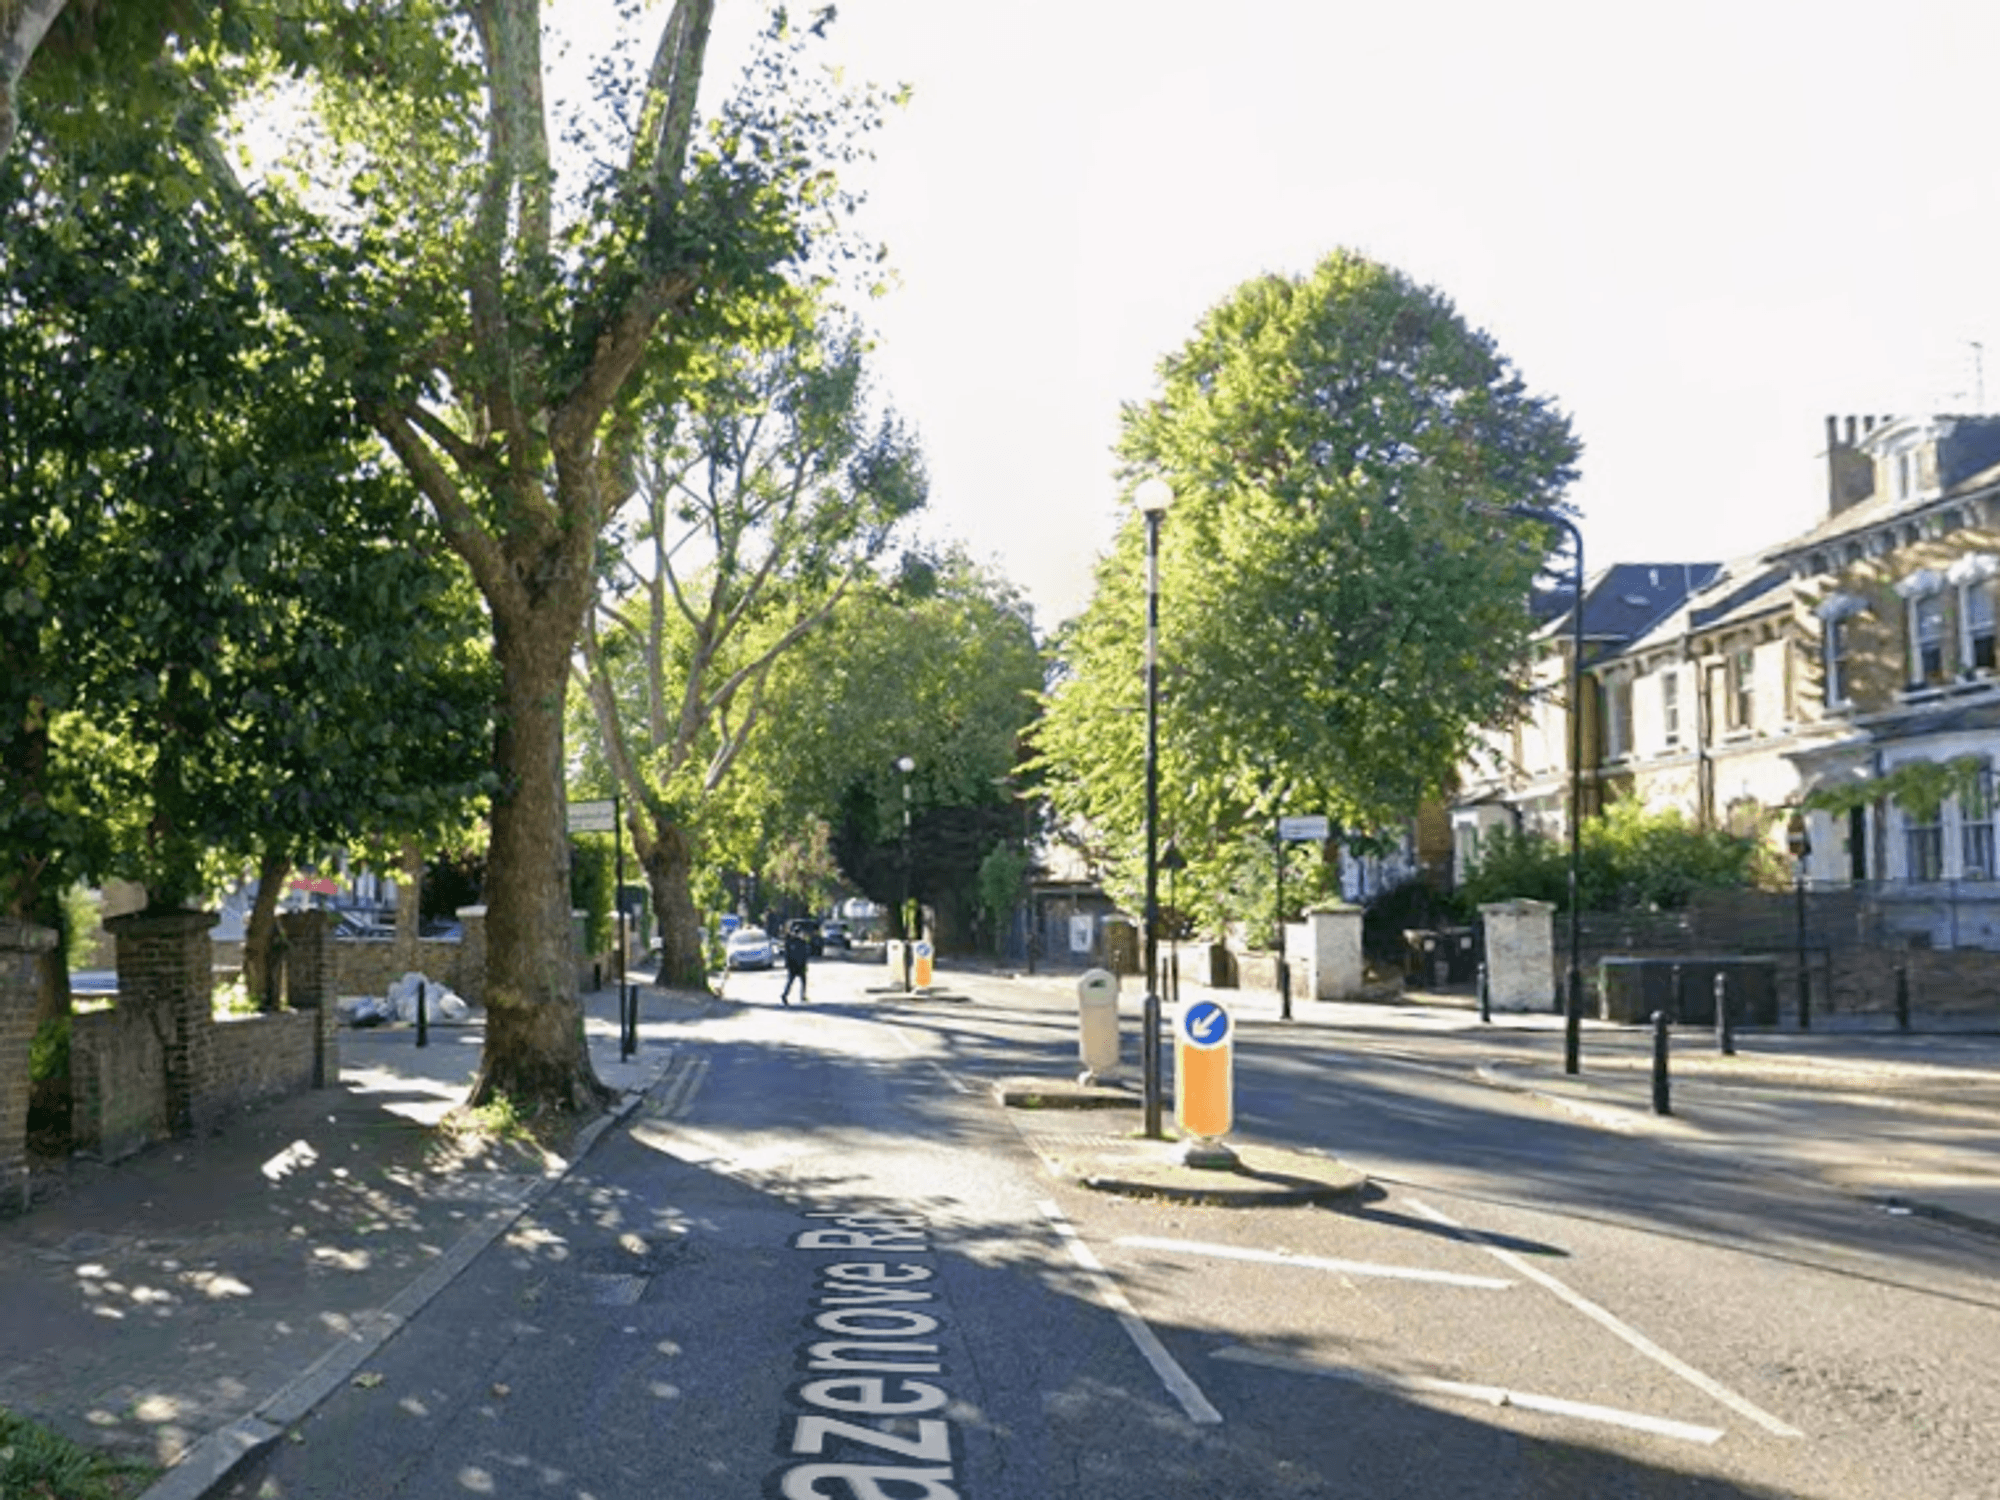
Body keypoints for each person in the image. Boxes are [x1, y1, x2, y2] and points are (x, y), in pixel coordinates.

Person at [780, 922, 811, 1005]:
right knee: (792, 981)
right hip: (794, 965)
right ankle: (785, 995)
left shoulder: (799, 942)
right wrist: (787, 964)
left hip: (799, 965)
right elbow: (787, 954)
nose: (797, 934)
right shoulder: (792, 942)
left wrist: (805, 963)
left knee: (801, 981)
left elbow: (805, 954)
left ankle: (802, 996)